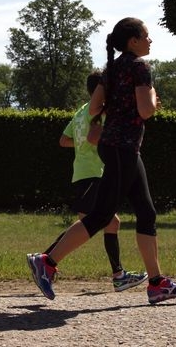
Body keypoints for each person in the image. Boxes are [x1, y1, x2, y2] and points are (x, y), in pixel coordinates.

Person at [27, 18, 176, 304]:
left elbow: (93, 108)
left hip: (117, 148)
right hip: (122, 148)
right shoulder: (140, 68)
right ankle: (47, 261)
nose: (150, 41)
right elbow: (145, 111)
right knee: (102, 215)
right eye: (146, 36)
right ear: (133, 41)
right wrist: (152, 98)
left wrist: (115, 107)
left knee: (146, 211)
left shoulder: (111, 68)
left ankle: (156, 283)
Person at [45, 69, 147, 292]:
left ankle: (118, 274)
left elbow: (64, 140)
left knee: (102, 223)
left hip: (82, 173)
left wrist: (81, 145)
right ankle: (45, 261)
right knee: (96, 223)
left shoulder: (81, 112)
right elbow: (94, 137)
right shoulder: (101, 112)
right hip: (94, 172)